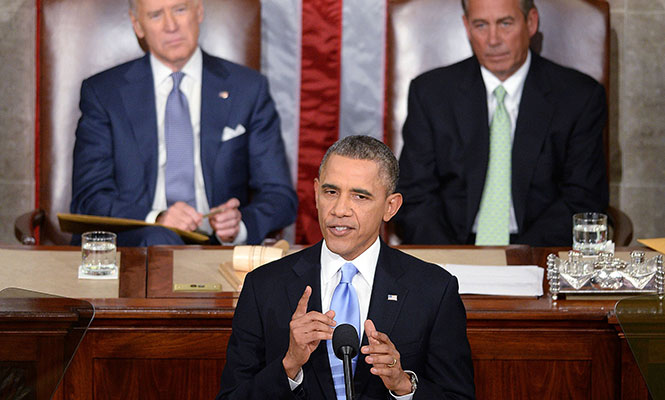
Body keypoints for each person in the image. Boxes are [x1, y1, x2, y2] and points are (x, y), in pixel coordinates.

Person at [216, 135, 475, 399]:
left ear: (390, 206)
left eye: (360, 196)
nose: (340, 210)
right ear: (316, 193)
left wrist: (402, 385)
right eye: (331, 192)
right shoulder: (264, 286)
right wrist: (290, 365)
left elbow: (458, 396)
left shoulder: (433, 290)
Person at [70, 0, 297, 246]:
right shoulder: (104, 93)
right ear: (138, 25)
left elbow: (280, 196)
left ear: (198, 11)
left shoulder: (248, 89)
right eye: (156, 15)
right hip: (134, 248)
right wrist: (157, 219)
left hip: (214, 249)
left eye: (179, 9)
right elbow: (88, 198)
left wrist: (239, 226)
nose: (171, 26)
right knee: (159, 238)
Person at [395, 0, 609, 246]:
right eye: (481, 25)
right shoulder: (431, 94)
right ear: (466, 26)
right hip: (451, 247)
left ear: (531, 22)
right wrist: (451, 263)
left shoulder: (579, 97)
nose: (493, 40)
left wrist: (518, 260)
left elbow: (582, 198)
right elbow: (415, 196)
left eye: (505, 23)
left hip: (539, 250)